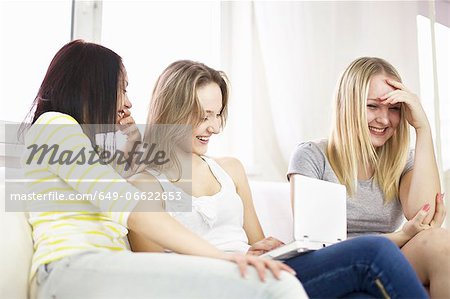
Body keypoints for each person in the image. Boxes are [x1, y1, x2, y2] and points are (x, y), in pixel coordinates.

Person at [21, 40, 307, 299]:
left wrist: (129, 152)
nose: (128, 102)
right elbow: (131, 207)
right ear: (92, 88)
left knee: (267, 283)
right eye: (122, 88)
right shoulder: (53, 126)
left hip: (113, 268)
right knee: (275, 286)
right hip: (72, 269)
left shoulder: (90, 149)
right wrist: (222, 258)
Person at [128, 59, 429, 298]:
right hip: (222, 284)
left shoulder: (230, 169)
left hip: (259, 273)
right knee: (374, 252)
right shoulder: (145, 184)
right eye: (204, 116)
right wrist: (226, 261)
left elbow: (257, 243)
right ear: (172, 111)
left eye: (218, 115)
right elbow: (155, 276)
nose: (215, 127)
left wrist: (265, 247)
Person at [288, 56, 450, 297]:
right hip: (336, 263)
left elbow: (423, 219)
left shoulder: (403, 159)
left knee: (440, 242)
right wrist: (402, 235)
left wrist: (423, 128)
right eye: (372, 106)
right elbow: (318, 246)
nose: (384, 120)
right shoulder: (312, 156)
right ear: (348, 105)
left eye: (394, 108)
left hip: (388, 256)